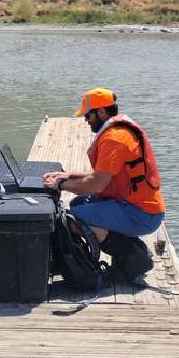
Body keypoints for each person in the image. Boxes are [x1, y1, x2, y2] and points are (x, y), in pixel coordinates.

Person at [43, 88, 164, 280]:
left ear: (101, 112)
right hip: (134, 205)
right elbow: (102, 176)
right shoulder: (118, 132)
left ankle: (134, 257)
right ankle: (127, 249)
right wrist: (68, 175)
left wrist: (60, 185)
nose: (86, 120)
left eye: (88, 115)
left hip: (142, 214)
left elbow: (96, 185)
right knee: (78, 204)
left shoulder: (114, 138)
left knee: (73, 220)